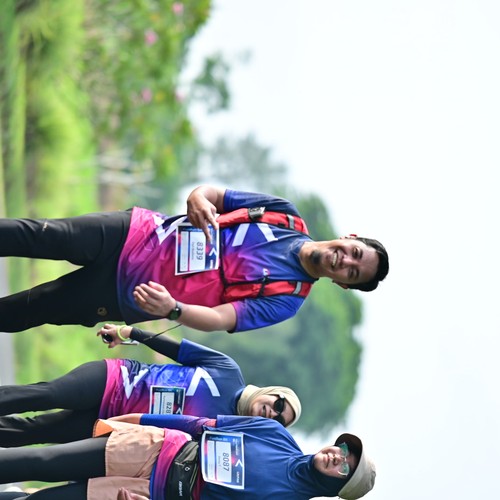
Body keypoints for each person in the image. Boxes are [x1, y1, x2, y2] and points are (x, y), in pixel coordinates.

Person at [0, 185, 389, 333]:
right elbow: (213, 195)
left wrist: (172, 310)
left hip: (130, 295)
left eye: (353, 272)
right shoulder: (283, 214)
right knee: (38, 235)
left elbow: (220, 319)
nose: (345, 261)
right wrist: (197, 198)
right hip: (135, 232)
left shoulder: (286, 299)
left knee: (34, 307)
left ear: (343, 284)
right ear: (349, 238)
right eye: (354, 253)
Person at [0, 324, 301, 447]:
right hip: (115, 381)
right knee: (45, 394)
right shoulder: (227, 370)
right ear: (272, 392)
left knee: (36, 432)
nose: (272, 412)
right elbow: (176, 349)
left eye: (279, 420)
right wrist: (128, 332)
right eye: (278, 404)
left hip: (113, 425)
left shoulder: (224, 431)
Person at [0, 414, 376, 500]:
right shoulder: (276, 433)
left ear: (337, 488)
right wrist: (132, 420)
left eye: (345, 468)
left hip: (152, 496)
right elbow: (199, 424)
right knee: (43, 461)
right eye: (344, 450)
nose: (337, 457)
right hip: (155, 448)